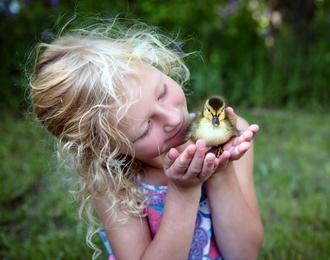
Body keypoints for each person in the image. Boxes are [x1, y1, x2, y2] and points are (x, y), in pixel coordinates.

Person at [28, 16, 263, 260]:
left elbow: (245, 253)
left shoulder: (230, 135)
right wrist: (184, 190)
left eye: (161, 93)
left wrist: (220, 170)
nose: (172, 118)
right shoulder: (112, 179)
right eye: (146, 128)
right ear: (103, 150)